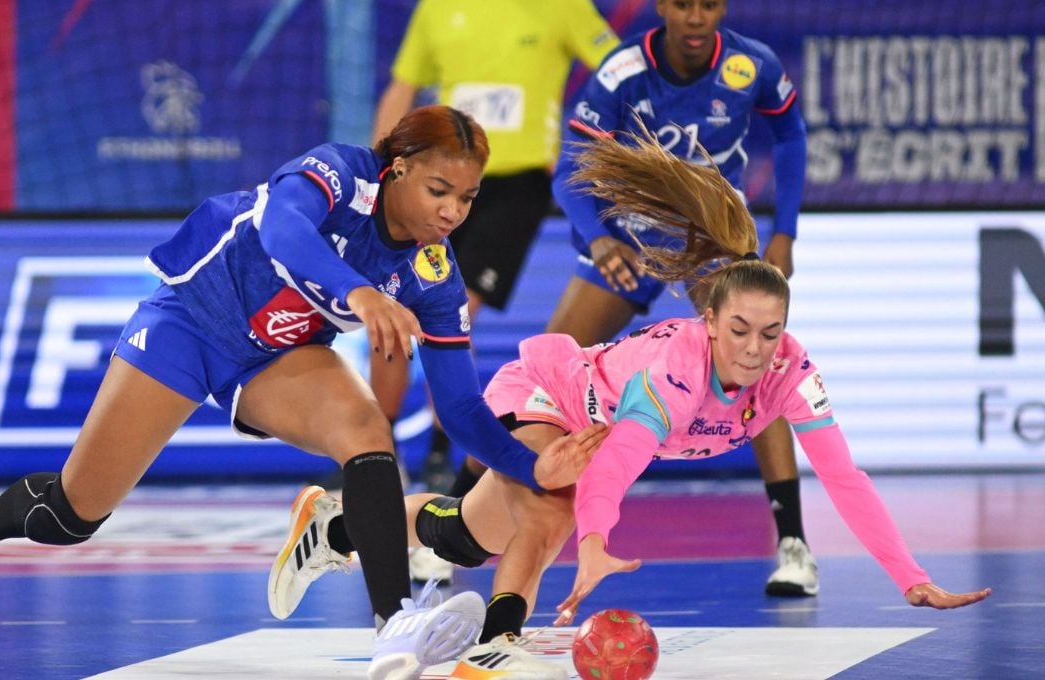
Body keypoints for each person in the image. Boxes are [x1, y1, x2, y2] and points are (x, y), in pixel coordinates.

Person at [0, 105, 606, 680]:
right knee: (72, 515)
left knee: (367, 429)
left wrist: (531, 466)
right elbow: (283, 232)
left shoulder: (432, 272)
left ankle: (394, 622)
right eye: (438, 191)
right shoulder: (340, 171)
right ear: (397, 170)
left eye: (468, 197)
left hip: (276, 355)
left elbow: (459, 408)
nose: (453, 211)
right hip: (191, 322)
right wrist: (359, 292)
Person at [279, 125, 992, 679]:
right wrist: (593, 545)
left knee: (468, 536)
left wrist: (912, 578)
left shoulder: (791, 375)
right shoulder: (675, 373)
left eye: (770, 334)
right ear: (709, 323)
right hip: (548, 390)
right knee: (550, 498)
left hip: (587, 421)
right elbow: (619, 460)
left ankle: (335, 530)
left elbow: (844, 478)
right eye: (738, 330)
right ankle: (496, 645)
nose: (753, 348)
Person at [548, 0, 819, 597]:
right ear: (661, 7)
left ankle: (794, 545)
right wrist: (599, 242)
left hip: (714, 244)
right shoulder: (623, 71)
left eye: (709, 5)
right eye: (682, 5)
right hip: (630, 242)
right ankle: (457, 522)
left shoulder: (754, 65)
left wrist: (785, 232)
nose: (696, 18)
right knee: (549, 372)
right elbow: (567, 172)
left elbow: (792, 136)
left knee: (758, 371)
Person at [368, 2, 618, 551]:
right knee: (385, 317)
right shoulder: (437, 9)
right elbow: (401, 89)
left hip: (514, 184)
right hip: (435, 179)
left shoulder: (565, 8)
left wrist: (582, 148)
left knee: (450, 310)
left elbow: (621, 71)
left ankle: (440, 450)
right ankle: (373, 454)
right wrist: (378, 172)